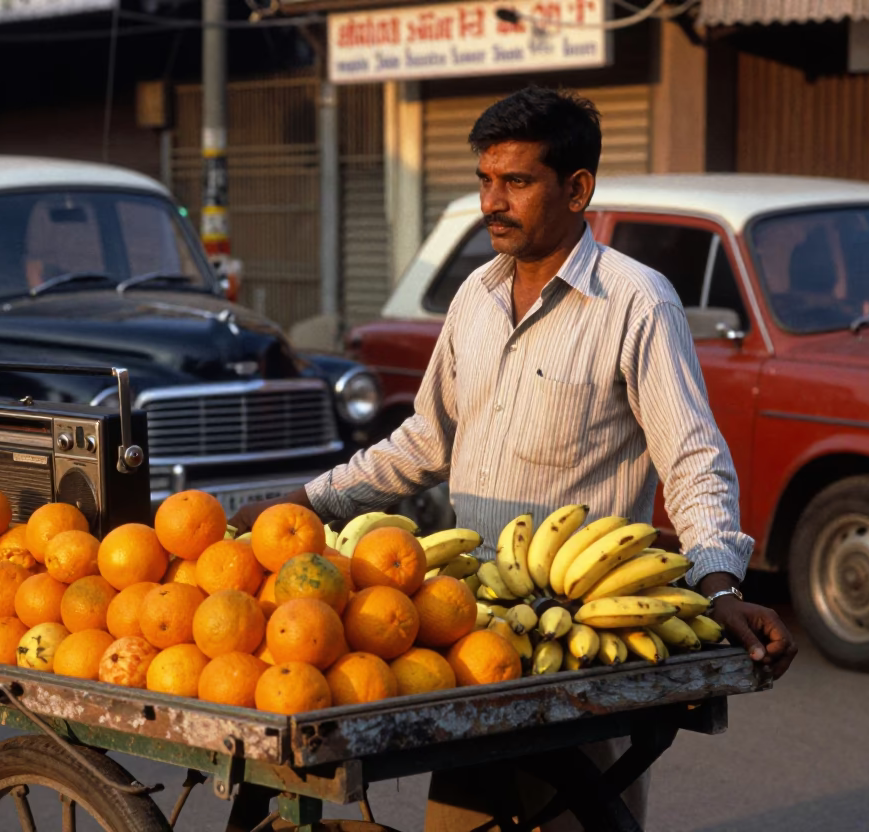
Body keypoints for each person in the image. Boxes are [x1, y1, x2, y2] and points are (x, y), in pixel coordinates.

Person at [230, 86, 796, 830]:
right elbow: (424, 442)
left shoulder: (636, 303)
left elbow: (693, 459)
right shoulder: (474, 295)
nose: (492, 201)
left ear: (577, 188)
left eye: (517, 182)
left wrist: (719, 583)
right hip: (464, 627)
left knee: (573, 815)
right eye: (485, 180)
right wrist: (306, 502)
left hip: (571, 639)